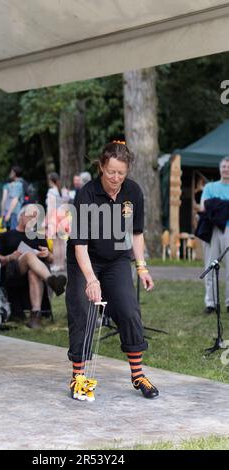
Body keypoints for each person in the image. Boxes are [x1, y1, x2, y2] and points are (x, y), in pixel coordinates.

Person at [66, 141, 158, 401]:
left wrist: (141, 267)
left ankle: (138, 374)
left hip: (117, 259)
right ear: (101, 167)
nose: (115, 178)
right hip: (84, 260)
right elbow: (80, 245)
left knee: (129, 310)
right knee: (83, 313)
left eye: (121, 173)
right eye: (110, 172)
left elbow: (136, 233)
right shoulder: (86, 194)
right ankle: (79, 377)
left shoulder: (133, 192)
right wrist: (91, 279)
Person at [0, 204, 67, 328]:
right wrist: (10, 257)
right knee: (28, 255)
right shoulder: (7, 236)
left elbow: (51, 259)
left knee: (33, 273)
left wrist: (47, 254)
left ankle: (35, 316)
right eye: (31, 216)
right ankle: (51, 281)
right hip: (13, 272)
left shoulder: (38, 235)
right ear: (21, 216)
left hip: (34, 272)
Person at [200, 157, 229, 314]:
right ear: (219, 169)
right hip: (212, 230)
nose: (225, 169)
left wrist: (215, 204)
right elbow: (204, 206)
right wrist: (225, 205)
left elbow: (210, 205)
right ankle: (211, 303)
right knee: (211, 266)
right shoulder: (210, 186)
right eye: (223, 166)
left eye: (228, 167)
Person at [46, 172, 70, 272]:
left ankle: (56, 264)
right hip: (63, 217)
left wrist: (46, 221)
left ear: (51, 180)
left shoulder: (51, 191)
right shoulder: (64, 191)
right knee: (62, 243)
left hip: (54, 217)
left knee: (56, 243)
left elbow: (50, 207)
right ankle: (61, 265)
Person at [2, 166, 24, 230]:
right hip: (12, 211)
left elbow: (15, 199)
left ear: (14, 173)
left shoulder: (18, 184)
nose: (10, 174)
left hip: (14, 212)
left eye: (11, 172)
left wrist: (7, 213)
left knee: (12, 233)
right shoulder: (18, 184)